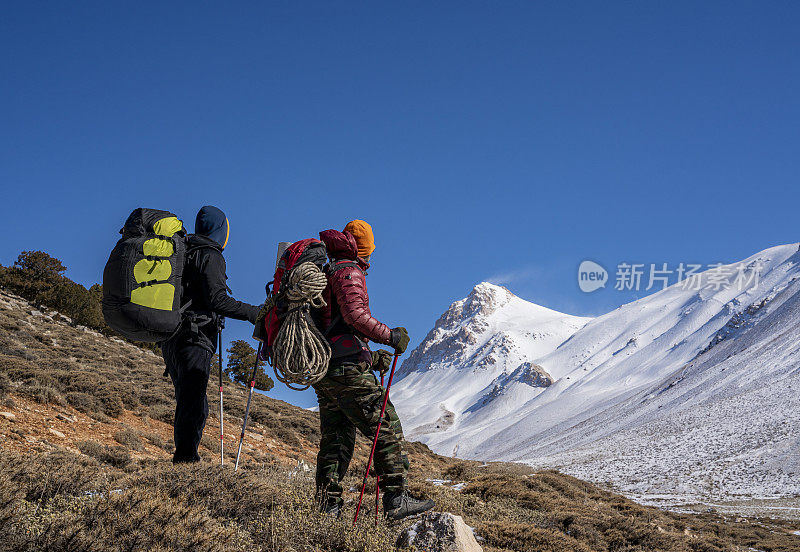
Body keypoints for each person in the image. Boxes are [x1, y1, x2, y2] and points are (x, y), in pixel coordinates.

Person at [314, 219, 435, 520]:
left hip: (324, 369)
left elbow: (336, 325)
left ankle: (327, 507)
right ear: (364, 248)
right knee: (385, 424)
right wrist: (390, 336)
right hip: (347, 370)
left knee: (336, 438)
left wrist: (368, 354)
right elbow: (355, 316)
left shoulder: (327, 270)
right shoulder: (348, 270)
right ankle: (396, 498)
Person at [161, 205, 260, 464]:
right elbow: (217, 299)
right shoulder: (210, 254)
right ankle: (184, 464)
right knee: (193, 404)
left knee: (192, 402)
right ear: (221, 230)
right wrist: (254, 313)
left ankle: (186, 459)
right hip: (194, 337)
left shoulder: (184, 251)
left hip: (172, 337)